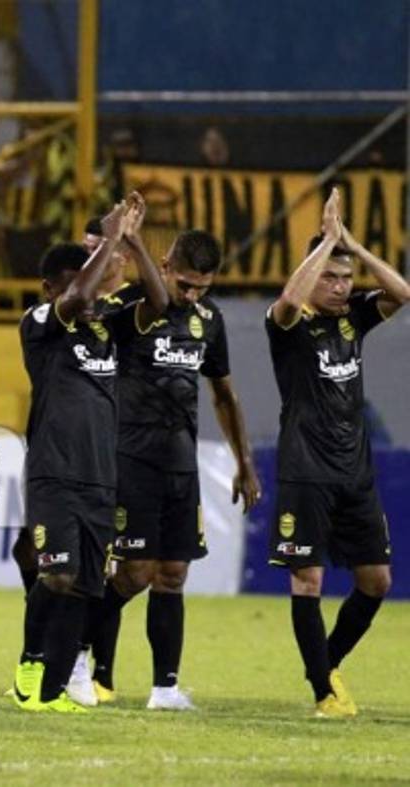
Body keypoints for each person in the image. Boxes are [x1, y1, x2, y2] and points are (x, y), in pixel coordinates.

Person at [70, 229, 262, 710]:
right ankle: (74, 650)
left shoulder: (208, 321)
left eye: (203, 287)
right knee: (134, 573)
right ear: (165, 265)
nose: (192, 295)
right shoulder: (131, 306)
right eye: (184, 284)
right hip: (130, 460)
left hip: (180, 463)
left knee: (173, 573)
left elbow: (222, 394)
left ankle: (165, 689)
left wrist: (245, 462)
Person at [11, 195, 167, 713]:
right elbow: (77, 295)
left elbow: (161, 303)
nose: (91, 286)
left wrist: (133, 241)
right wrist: (110, 238)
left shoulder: (108, 327)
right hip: (55, 472)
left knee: (84, 585)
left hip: (101, 475)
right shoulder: (39, 323)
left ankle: (53, 690)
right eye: (76, 279)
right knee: (54, 575)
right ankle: (29, 667)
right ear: (50, 287)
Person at [265, 188, 408, 717]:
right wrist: (323, 245)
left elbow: (403, 292)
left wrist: (350, 244)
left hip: (356, 472)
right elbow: (286, 301)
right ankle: (324, 691)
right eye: (331, 276)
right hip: (306, 470)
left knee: (377, 580)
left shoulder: (355, 318)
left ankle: (326, 663)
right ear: (312, 273)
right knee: (309, 579)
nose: (342, 286)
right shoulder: (288, 325)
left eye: (347, 278)